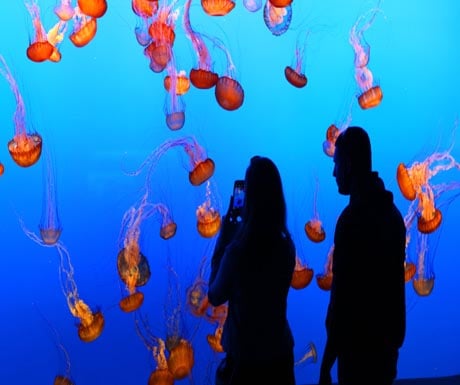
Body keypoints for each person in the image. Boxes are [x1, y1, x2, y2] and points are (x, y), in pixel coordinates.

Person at [319, 126, 406, 385]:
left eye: (336, 163)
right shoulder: (393, 216)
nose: (334, 172)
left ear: (347, 164)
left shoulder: (352, 220)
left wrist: (326, 365)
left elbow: (342, 300)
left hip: (357, 352)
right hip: (387, 349)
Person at [208, 156, 296, 385]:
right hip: (279, 359)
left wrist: (224, 238)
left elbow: (215, 295)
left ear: (250, 200)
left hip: (246, 365)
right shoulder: (286, 245)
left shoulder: (237, 252)